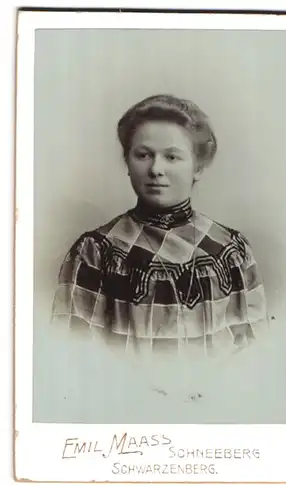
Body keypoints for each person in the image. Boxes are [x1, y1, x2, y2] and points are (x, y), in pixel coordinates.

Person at [52, 94, 268, 405]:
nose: (156, 169)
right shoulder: (97, 250)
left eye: (172, 157)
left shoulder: (230, 249)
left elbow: (254, 350)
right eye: (143, 155)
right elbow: (71, 353)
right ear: (127, 162)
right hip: (124, 410)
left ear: (198, 167)